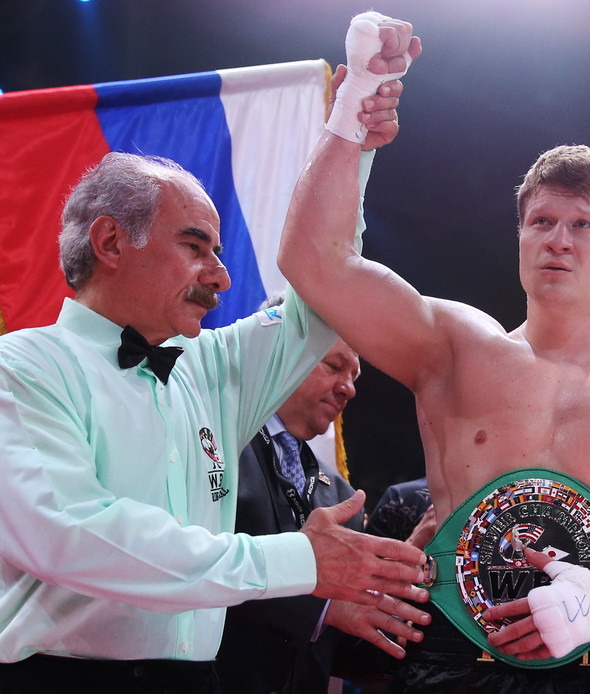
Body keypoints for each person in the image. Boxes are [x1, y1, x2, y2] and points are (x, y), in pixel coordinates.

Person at [278, 77, 590, 689]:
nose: (558, 240)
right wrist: (352, 111)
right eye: (541, 221)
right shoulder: (452, 348)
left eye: (583, 225)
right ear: (520, 235)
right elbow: (313, 260)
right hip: (455, 661)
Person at [0, 16, 426, 693]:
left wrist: (351, 126)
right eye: (195, 246)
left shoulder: (210, 369)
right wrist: (296, 561)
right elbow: (71, 534)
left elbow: (325, 284)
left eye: (218, 253)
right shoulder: (20, 368)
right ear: (110, 243)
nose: (222, 278)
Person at [215, 293, 422, 694]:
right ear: (277, 350)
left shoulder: (342, 496)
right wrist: (318, 606)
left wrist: (407, 601)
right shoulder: (213, 447)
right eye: (334, 366)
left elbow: (339, 652)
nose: (349, 389)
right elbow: (190, 565)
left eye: (354, 376)